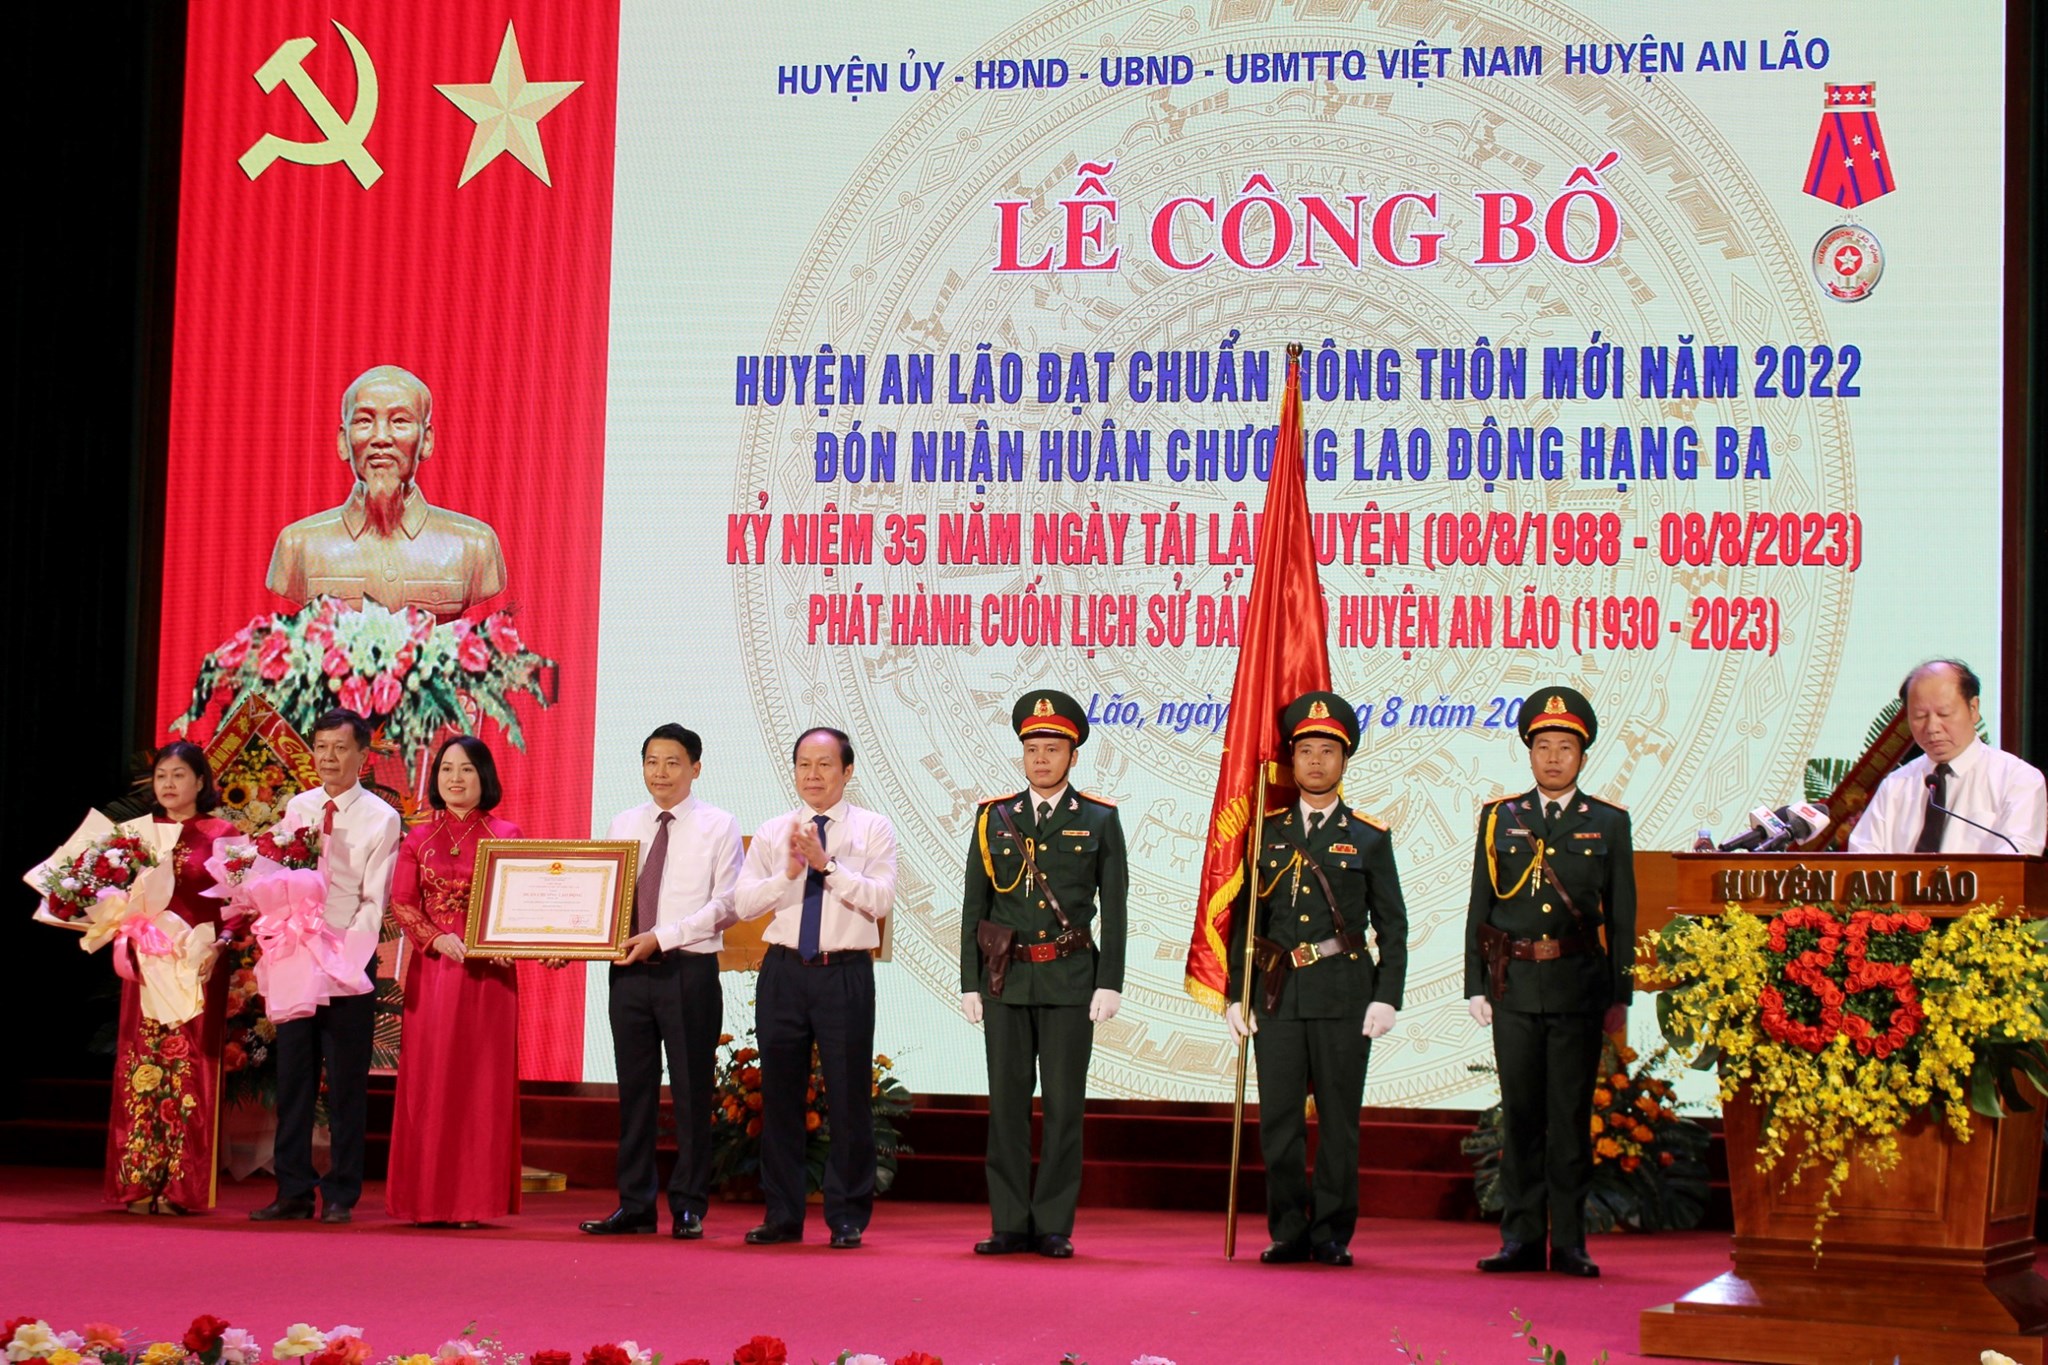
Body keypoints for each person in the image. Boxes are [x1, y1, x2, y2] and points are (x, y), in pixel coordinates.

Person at [1224, 692, 1409, 1268]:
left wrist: (1387, 996)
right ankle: (1287, 1231)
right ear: (1292, 760)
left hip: (1344, 995)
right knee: (1279, 1122)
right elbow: (1245, 923)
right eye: (1306, 751)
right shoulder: (1265, 832)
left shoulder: (1369, 836)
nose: (1315, 761)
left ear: (1344, 760)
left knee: (1338, 1123)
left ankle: (1331, 1234)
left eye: (1327, 751)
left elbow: (1393, 926)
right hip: (1277, 996)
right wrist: (1236, 993)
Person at [1464, 686, 1635, 1279]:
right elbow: (1480, 907)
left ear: (1582, 755)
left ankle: (1570, 1243)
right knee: (1520, 1117)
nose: (1554, 757)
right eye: (1543, 746)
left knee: (1568, 1119)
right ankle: (1519, 1239)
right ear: (1529, 752)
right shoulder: (1500, 818)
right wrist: (1476, 983)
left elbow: (1622, 915)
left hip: (1578, 988)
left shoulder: (1607, 822)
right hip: (1513, 986)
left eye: (1565, 747)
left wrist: (1619, 994)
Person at [959, 690, 1128, 1259]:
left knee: (1063, 1105)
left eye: (1052, 749)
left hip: (1070, 979)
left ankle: (1054, 1223)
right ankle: (1009, 1222)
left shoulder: (1099, 819)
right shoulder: (994, 817)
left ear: (1073, 756)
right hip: (1005, 981)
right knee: (1006, 1105)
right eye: (1032, 748)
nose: (1041, 759)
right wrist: (969, 981)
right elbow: (975, 905)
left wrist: (1109, 981)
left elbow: (1116, 907)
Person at [729, 728, 897, 1249]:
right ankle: (782, 1215)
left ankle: (846, 1217)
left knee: (848, 1096)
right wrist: (788, 875)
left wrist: (827, 866)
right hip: (783, 971)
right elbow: (744, 904)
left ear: (847, 771)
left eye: (825, 764)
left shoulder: (873, 829)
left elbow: (880, 900)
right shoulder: (773, 831)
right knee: (780, 1097)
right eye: (804, 764)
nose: (813, 775)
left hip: (843, 972)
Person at [581, 724, 743, 1239]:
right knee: (635, 1093)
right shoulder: (623, 822)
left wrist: (663, 937)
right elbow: (601, 897)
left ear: (696, 768)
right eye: (651, 761)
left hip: (687, 971)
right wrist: (573, 939)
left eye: (672, 762)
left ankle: (689, 1205)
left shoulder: (719, 825)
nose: (660, 772)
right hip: (628, 972)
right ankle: (635, 1205)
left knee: (692, 1092)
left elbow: (727, 906)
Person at [250, 707, 402, 1224]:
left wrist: (346, 959)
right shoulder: (299, 807)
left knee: (345, 1083)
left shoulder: (381, 817)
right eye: (321, 747)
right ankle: (292, 1190)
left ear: (362, 755)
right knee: (293, 1077)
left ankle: (341, 1193)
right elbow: (280, 877)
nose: (328, 758)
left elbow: (374, 900)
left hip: (346, 962)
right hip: (297, 956)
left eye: (340, 748)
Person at [383, 735, 523, 1226]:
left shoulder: (507, 834)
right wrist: (435, 938)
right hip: (436, 974)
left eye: (466, 769)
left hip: (489, 980)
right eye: (446, 769)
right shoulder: (418, 838)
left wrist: (513, 943)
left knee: (480, 1085)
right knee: (432, 1080)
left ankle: (472, 1202)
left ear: (485, 776)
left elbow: (521, 903)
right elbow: (403, 902)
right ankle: (426, 1200)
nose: (455, 778)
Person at [104, 742, 239, 1214]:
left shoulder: (223, 833)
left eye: (179, 775)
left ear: (200, 782)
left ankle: (183, 1186)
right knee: (142, 1067)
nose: (168, 784)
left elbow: (240, 903)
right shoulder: (136, 836)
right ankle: (139, 1183)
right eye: (162, 775)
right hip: (145, 963)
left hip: (196, 960)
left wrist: (223, 944)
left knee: (189, 1067)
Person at [266, 365, 506, 619]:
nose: (381, 437)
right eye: (364, 421)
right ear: (343, 441)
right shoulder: (298, 545)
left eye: (400, 421)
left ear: (426, 441)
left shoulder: (474, 546)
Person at [1846, 660, 2047, 856]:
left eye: (1944, 714)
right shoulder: (1896, 785)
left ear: (1973, 709)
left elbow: (2020, 851)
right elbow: (1862, 856)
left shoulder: (2017, 779)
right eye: (1920, 716)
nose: (1932, 727)